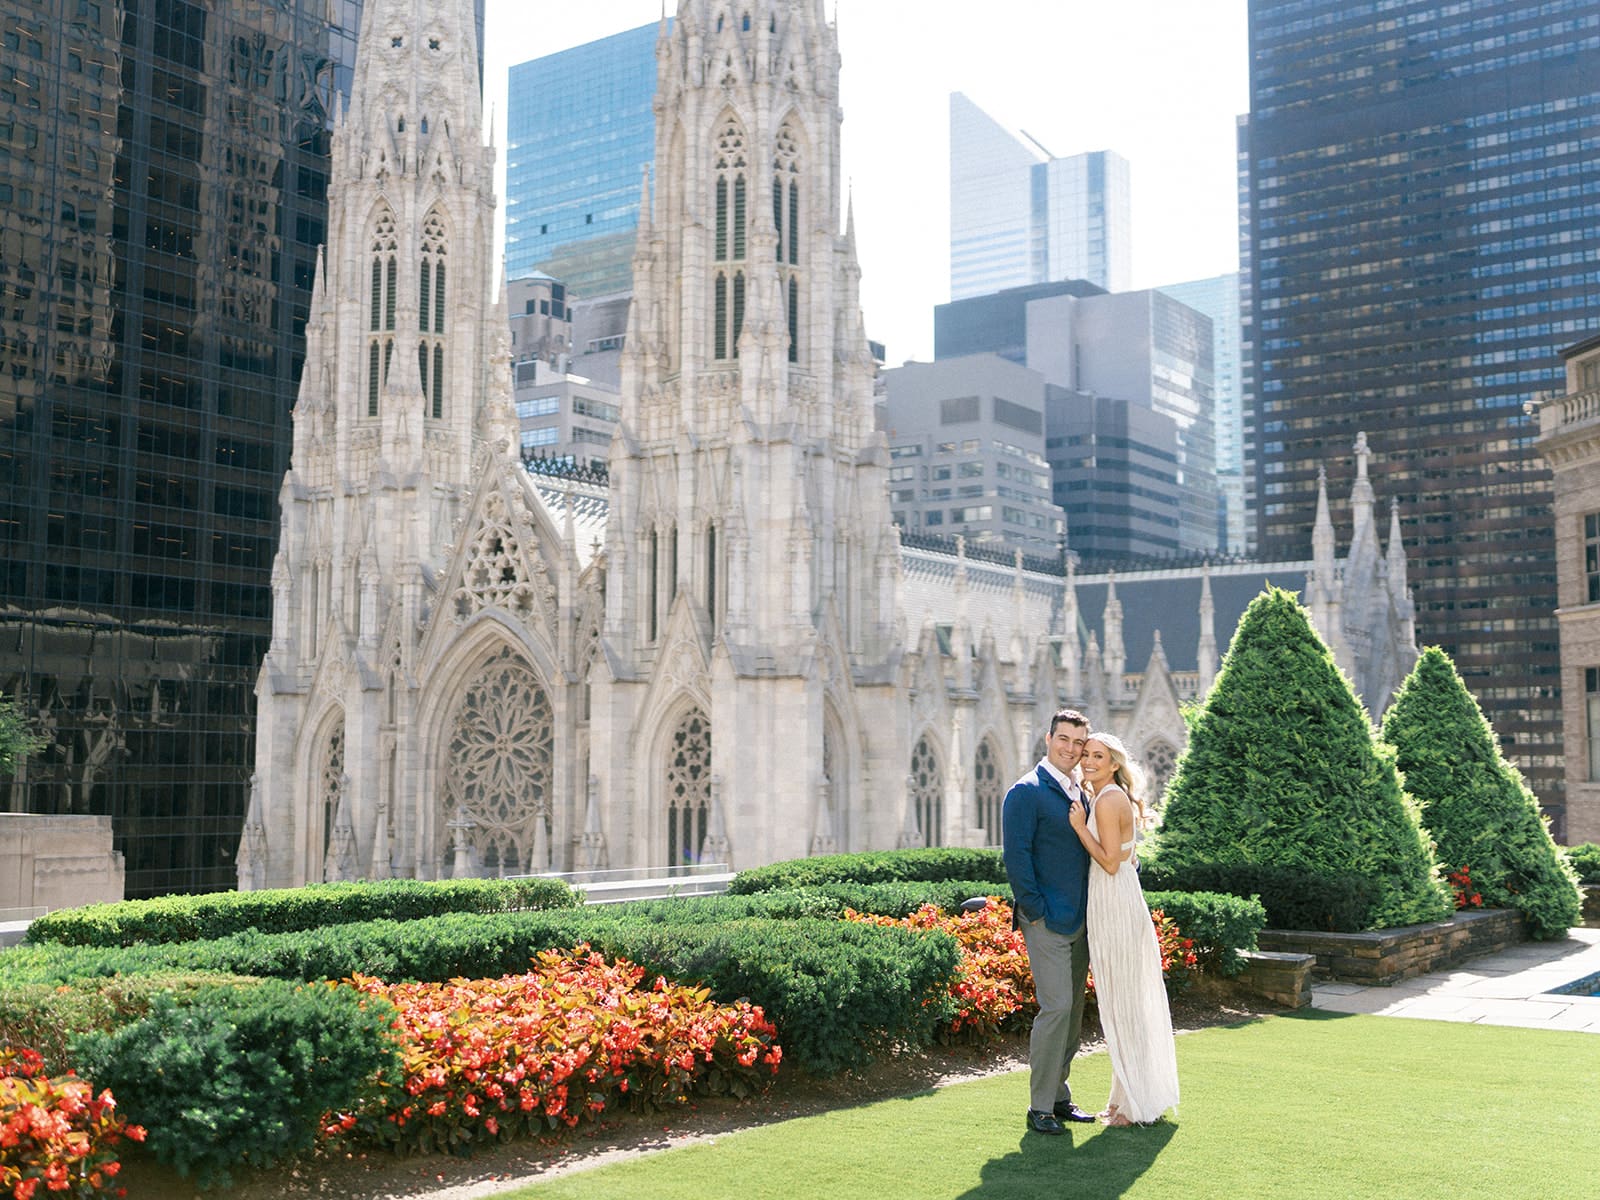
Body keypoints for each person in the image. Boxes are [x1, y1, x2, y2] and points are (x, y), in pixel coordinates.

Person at [1068, 732, 1180, 1126]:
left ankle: (1133, 1105)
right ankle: (1123, 1098)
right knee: (1120, 1002)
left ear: (1114, 763)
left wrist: (1081, 828)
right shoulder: (1108, 796)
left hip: (1114, 899)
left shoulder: (1109, 798)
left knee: (1123, 1004)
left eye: (1098, 756)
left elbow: (1111, 862)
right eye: (1086, 755)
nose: (1088, 762)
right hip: (1115, 898)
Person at [1001, 708, 1096, 1135]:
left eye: (1079, 743)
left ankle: (1059, 1097)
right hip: (1047, 922)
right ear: (1048, 738)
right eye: (1064, 739)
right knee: (1056, 1008)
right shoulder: (1025, 792)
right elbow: (1017, 860)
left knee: (1072, 1013)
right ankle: (1039, 1106)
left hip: (1082, 921)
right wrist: (1035, 911)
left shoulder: (1082, 792)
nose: (1071, 749)